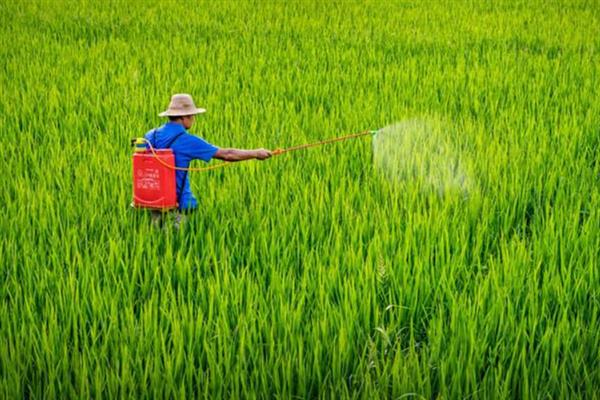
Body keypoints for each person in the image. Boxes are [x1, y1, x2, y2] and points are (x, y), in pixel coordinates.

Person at [146, 93, 272, 226]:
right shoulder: (187, 140)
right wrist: (256, 153)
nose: (194, 119)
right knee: (177, 242)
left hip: (153, 201)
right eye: (192, 116)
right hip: (177, 204)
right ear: (184, 117)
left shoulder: (150, 135)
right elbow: (227, 154)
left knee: (156, 237)